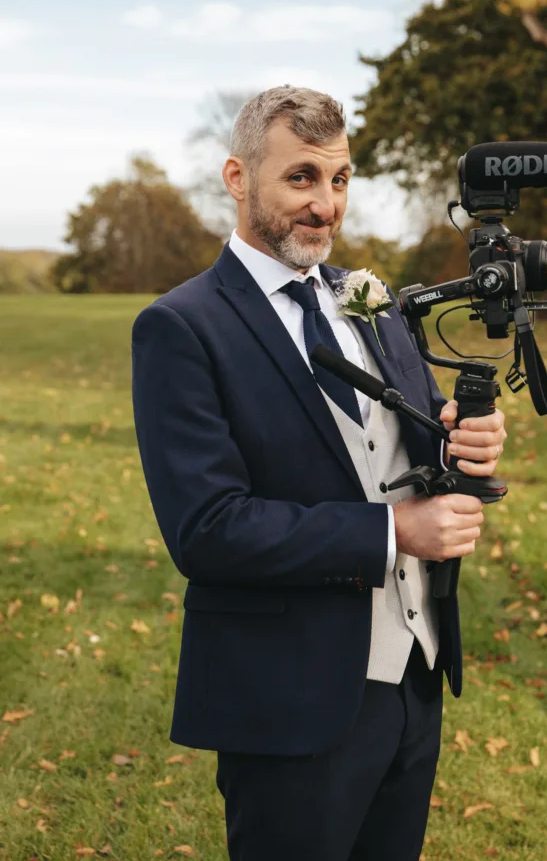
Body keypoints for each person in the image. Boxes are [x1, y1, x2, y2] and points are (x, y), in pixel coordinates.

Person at [131, 86, 507, 860]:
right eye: (301, 178)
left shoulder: (368, 302)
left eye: (338, 180)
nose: (324, 206)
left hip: (413, 676)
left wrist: (461, 443)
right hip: (286, 696)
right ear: (239, 179)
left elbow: (410, 442)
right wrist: (393, 531)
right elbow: (208, 530)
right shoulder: (181, 326)